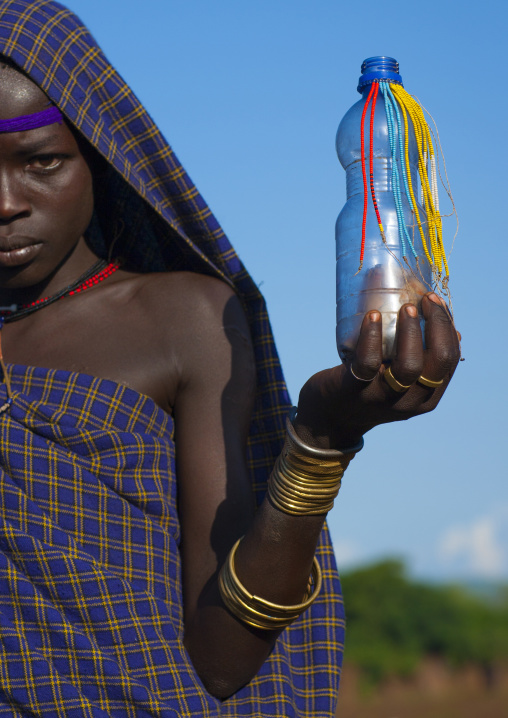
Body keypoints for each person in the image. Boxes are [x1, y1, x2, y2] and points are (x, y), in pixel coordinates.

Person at [0, 2, 460, 716]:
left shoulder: (181, 317)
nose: (5, 201)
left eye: (42, 163)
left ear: (99, 155)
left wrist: (324, 440)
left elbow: (222, 661)